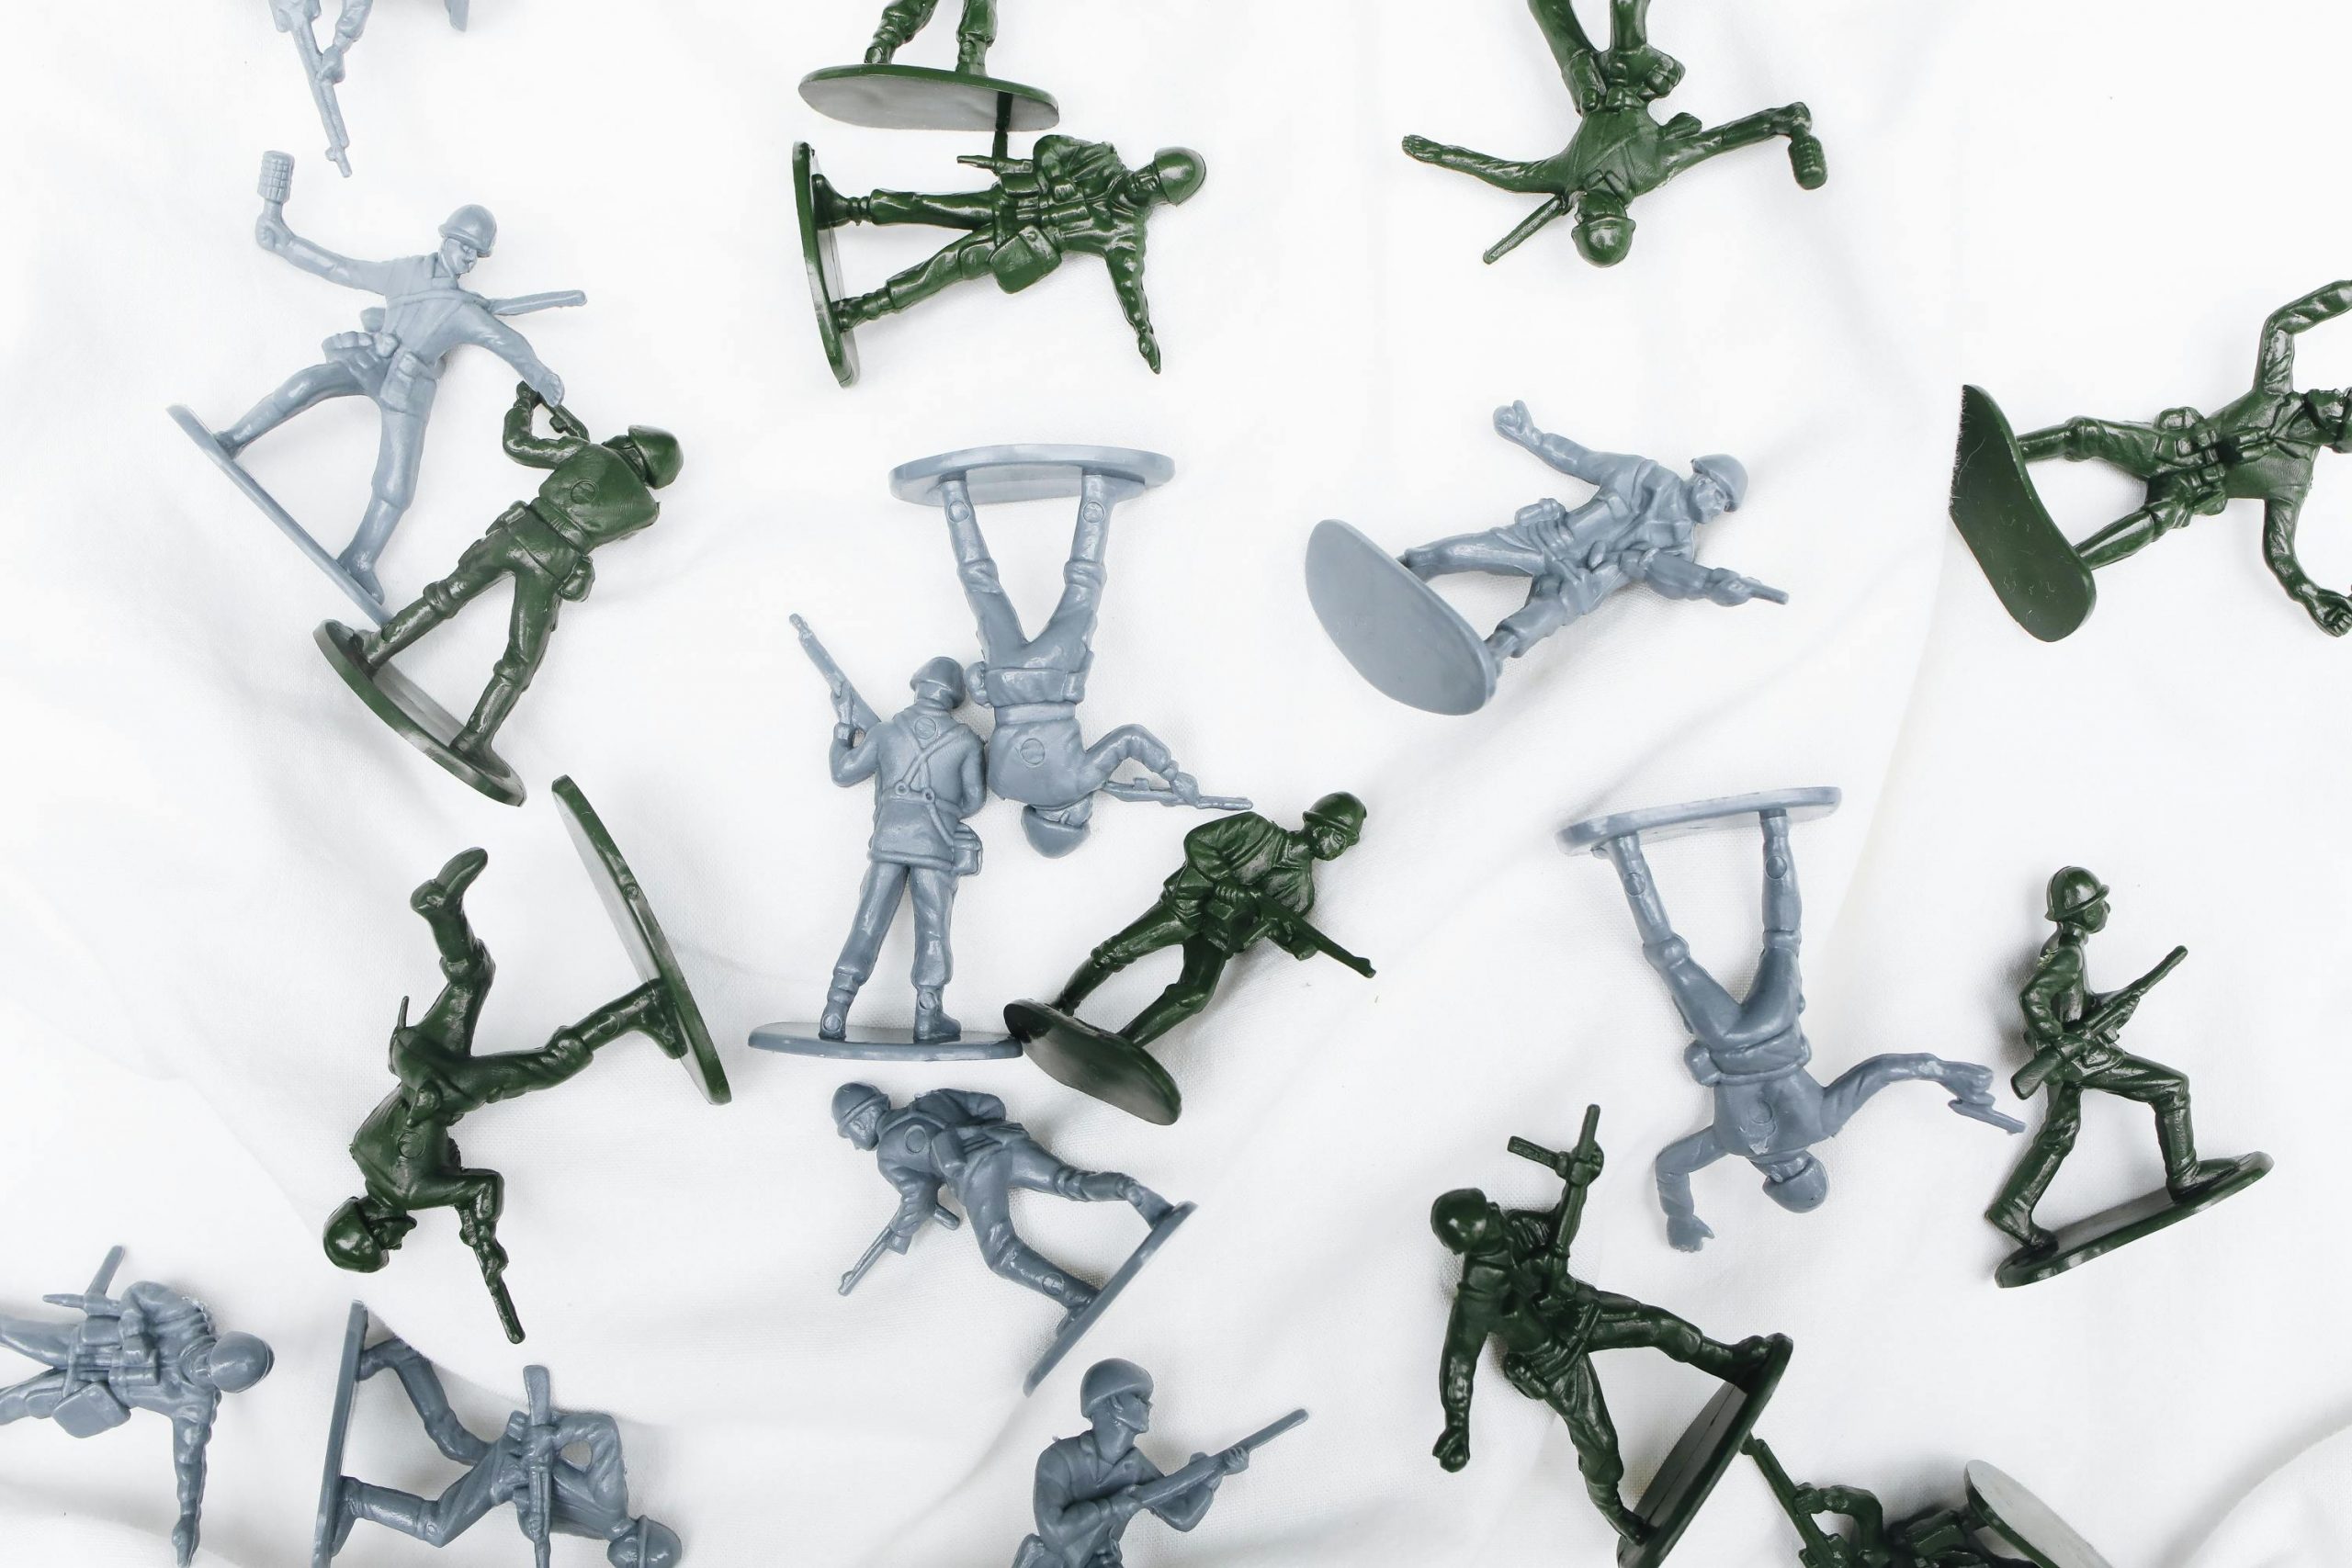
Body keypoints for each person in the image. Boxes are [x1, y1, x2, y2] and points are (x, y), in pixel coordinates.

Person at [322, 846, 694, 1342]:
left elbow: (483, 1185)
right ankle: (442, 910)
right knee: (472, 977)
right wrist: (464, 1211)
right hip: (411, 1054)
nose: (399, 1242)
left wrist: (484, 1227)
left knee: (550, 1064)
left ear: (372, 1225)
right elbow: (442, 1160)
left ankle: (642, 1009)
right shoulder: (362, 1149)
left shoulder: (409, 1192)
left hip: (443, 1085)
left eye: (385, 1244)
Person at [1431, 1134, 1777, 1548]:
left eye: (1489, 1204)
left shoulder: (1516, 1228)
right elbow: (1459, 1361)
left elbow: (1561, 1230)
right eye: (1486, 1215)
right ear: (1470, 1241)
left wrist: (1578, 1183)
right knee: (1599, 1442)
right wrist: (1457, 1424)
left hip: (1579, 1309)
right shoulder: (1477, 1296)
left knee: (1660, 1326)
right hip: (1552, 1361)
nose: (1494, 1209)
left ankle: (1731, 1362)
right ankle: (1613, 1510)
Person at [209, 202, 569, 599]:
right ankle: (233, 438)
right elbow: (342, 268)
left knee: (397, 484)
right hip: (373, 361)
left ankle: (360, 559)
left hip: (410, 388)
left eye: (476, 253)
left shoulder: (466, 311)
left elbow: (508, 342)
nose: (468, 258)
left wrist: (540, 375)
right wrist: (285, 242)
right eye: (464, 246)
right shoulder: (408, 273)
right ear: (446, 239)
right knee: (307, 384)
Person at [347, 386, 682, 761]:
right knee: (521, 659)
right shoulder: (645, 511)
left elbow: (517, 444)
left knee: (444, 596)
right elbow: (604, 507)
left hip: (518, 531)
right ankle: (473, 739)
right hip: (555, 563)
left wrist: (524, 403)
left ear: (631, 442)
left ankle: (376, 650)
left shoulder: (587, 452)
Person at [2007, 281, 2352, 634]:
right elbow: (2285, 323)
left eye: (2344, 402)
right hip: (2170, 445)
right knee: (2085, 432)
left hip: (2190, 490)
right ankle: (2009, 451)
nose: (2338, 393)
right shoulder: (2277, 393)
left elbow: (2280, 553)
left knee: (2160, 517)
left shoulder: (2293, 480)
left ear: (2340, 430)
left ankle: (2067, 570)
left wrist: (2311, 595)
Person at [1404, 0, 1823, 267]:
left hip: (1584, 80)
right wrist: (1782, 122)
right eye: (1593, 218)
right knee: (1625, 5)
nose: (1581, 213)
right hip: (1636, 77)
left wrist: (1440, 154)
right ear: (1621, 218)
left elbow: (1507, 174)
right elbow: (1718, 141)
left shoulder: (1568, 177)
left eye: (1580, 222)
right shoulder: (1651, 168)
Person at [1984, 867, 2242, 1257]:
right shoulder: (2069, 953)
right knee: (2172, 1088)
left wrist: (2111, 1006)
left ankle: (2013, 1209)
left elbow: (2070, 1003)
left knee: (2061, 1130)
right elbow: (2032, 998)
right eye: (2099, 903)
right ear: (2083, 912)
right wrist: (2060, 1040)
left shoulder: (2060, 946)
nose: (2106, 909)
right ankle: (2185, 1175)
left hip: (2068, 1057)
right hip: (2080, 1057)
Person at [1400, 401, 1775, 663]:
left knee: (1544, 615)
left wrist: (1714, 585)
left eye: (1725, 505)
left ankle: (1490, 655)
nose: (1716, 507)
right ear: (1700, 477)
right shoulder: (1641, 473)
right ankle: (1411, 566)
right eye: (1718, 494)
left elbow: (1678, 578)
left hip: (1582, 583)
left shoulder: (1679, 547)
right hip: (1550, 540)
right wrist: (1531, 436)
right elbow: (1581, 459)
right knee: (1462, 551)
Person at [810, 137, 1205, 372]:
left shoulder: (1124, 234)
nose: (1144, 180)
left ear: (1163, 200)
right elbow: (1050, 146)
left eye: (1155, 184)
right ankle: (845, 208)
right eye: (1151, 170)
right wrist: (1059, 176)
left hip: (1013, 243)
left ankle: (856, 311)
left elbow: (1129, 284)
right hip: (1004, 201)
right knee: (923, 202)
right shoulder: (1102, 160)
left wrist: (1143, 330)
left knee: (938, 270)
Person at [321, 1331, 678, 1567]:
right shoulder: (611, 1505)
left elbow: (533, 1511)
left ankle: (406, 1359)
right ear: (639, 1543)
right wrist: (552, 1438)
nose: (627, 1566)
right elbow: (603, 1432)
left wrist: (532, 1525)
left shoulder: (596, 1529)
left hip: (515, 1475)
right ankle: (355, 1499)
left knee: (452, 1441)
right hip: (515, 1467)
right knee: (438, 1526)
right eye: (637, 1562)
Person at [0, 1267, 272, 1567]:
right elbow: (139, 1292)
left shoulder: (195, 1403)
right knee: (10, 1331)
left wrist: (188, 1517)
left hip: (91, 1391)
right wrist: (134, 1334)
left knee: (16, 1402)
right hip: (85, 1346)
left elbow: (189, 1462)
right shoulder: (185, 1322)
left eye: (210, 1377)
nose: (201, 1371)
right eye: (208, 1360)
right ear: (217, 1345)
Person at [832, 1084, 1175, 1315]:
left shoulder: (888, 1156)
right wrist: (981, 1137)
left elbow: (917, 1197)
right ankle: (1138, 1195)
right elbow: (991, 1104)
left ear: (861, 1121)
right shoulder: (934, 1097)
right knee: (1071, 1182)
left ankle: (1080, 1299)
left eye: (849, 1132)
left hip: (975, 1174)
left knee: (1002, 1254)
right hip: (1007, 1141)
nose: (854, 1143)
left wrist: (901, 1232)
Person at [1052, 795, 1365, 1046]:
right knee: (1114, 951)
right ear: (1319, 827)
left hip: (1215, 936)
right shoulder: (1253, 829)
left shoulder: (1300, 893)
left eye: (1346, 844)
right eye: (1339, 838)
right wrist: (1225, 879)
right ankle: (1062, 1006)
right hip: (1184, 908)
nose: (1339, 848)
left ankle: (1123, 1045)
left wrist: (1294, 943)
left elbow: (1269, 929)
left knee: (1196, 994)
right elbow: (1198, 841)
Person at [819, 659, 987, 1043]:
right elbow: (974, 800)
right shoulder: (965, 741)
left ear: (917, 685)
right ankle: (928, 1016)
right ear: (954, 697)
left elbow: (843, 773)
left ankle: (835, 1010)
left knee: (867, 923)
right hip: (935, 846)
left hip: (888, 843)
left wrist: (843, 731)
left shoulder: (886, 731)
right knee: (934, 929)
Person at [1012, 1359, 1247, 1568]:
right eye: (1139, 1398)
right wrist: (1113, 1507)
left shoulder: (1136, 1466)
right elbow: (1054, 1532)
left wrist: (1214, 1476)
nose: (1149, 1406)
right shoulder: (1059, 1458)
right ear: (1115, 1403)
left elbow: (1182, 1515)